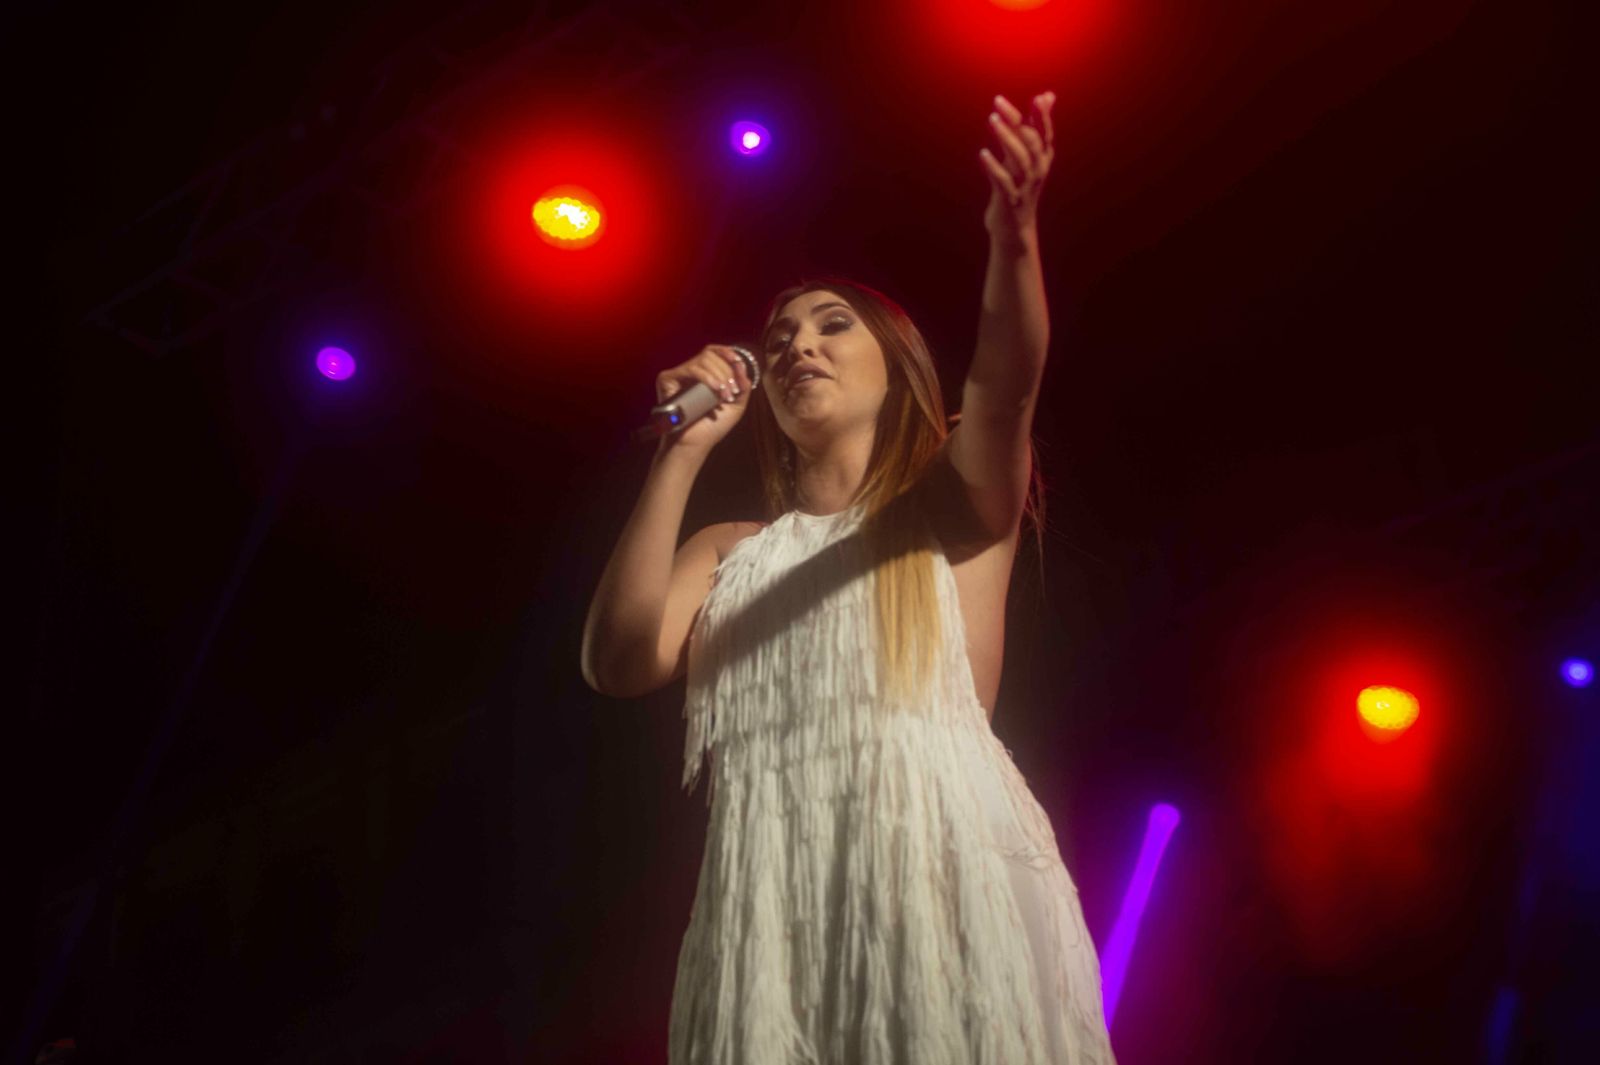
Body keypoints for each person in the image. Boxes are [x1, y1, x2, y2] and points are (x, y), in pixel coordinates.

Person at [582, 91, 1116, 1063]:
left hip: (937, 872)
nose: (798, 346)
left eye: (833, 327)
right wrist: (681, 452)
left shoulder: (947, 503)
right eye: (780, 338)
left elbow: (1006, 382)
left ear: (894, 365)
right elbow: (617, 661)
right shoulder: (727, 549)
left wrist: (1014, 240)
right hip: (768, 902)